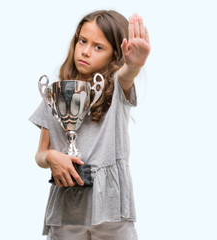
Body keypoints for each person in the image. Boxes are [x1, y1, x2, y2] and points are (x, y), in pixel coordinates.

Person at [29, 10, 150, 240]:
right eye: (82, 41)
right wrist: (52, 157)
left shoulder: (116, 88)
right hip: (67, 212)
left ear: (115, 55)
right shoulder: (54, 93)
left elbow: (127, 74)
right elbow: (40, 154)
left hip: (111, 212)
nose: (85, 51)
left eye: (98, 47)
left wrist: (134, 65)